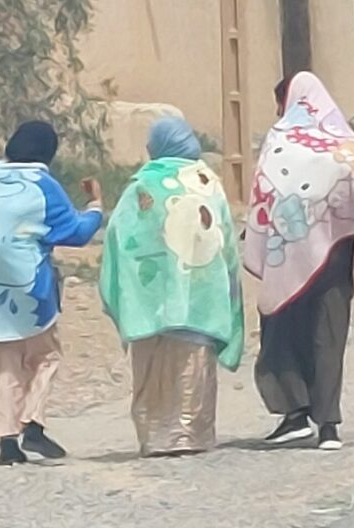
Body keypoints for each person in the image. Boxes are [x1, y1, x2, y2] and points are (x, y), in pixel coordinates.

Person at [245, 71, 354, 450]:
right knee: (328, 334)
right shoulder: (347, 141)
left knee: (281, 327)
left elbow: (266, 190)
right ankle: (328, 426)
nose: (279, 112)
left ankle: (294, 413)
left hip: (288, 254)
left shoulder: (280, 139)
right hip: (336, 252)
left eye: (280, 103)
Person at [0, 120, 104, 466]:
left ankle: (7, 442)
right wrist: (96, 205)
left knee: (3, 363)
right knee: (45, 355)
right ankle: (33, 422)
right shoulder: (43, 186)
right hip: (29, 289)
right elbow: (75, 232)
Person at [99, 117, 244, 457]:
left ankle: (154, 438)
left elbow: (118, 235)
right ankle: (189, 436)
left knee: (151, 368)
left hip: (149, 301)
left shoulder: (141, 185)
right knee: (193, 365)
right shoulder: (208, 183)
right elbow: (224, 239)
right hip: (199, 296)